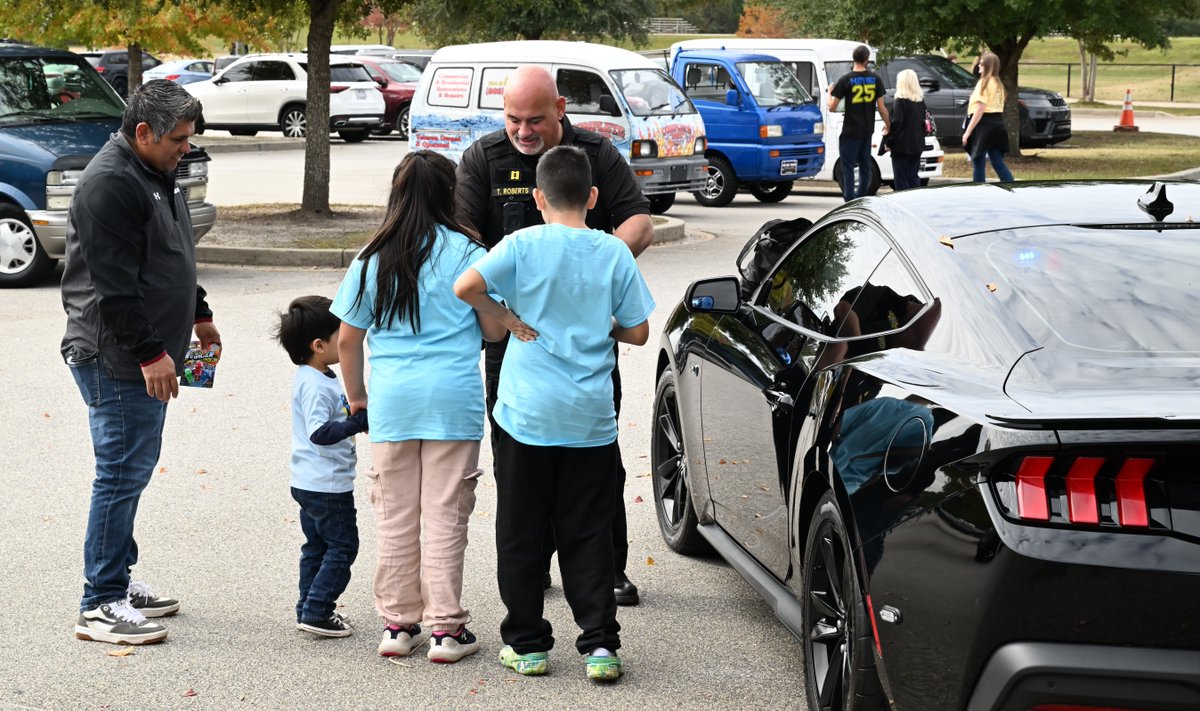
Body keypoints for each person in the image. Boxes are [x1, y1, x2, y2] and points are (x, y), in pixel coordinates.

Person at [454, 65, 653, 607]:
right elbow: (463, 238)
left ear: (561, 108)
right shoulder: (483, 158)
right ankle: (533, 568)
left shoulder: (596, 153)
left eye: (535, 119)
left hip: (586, 342)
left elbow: (639, 221)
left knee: (597, 460)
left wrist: (590, 267)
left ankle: (607, 569)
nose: (523, 131)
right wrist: (500, 308)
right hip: (514, 342)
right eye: (514, 119)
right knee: (519, 461)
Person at [333, 151, 508, 663]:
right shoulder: (470, 253)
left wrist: (357, 398)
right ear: (449, 194)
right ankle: (446, 632)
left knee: (395, 514)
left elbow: (348, 339)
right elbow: (494, 329)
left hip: (392, 402)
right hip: (452, 399)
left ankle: (397, 624)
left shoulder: (371, 256)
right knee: (446, 515)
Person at [61, 79, 218, 645]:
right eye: (178, 140)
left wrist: (198, 312)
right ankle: (99, 602)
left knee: (132, 469)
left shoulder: (157, 170)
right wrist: (152, 353)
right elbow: (114, 289)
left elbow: (173, 249)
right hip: (116, 355)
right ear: (143, 132)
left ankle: (118, 580)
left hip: (149, 350)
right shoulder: (109, 185)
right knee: (121, 473)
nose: (186, 149)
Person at [275, 295, 368, 638]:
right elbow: (319, 433)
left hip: (309, 480)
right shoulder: (315, 385)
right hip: (327, 484)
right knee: (343, 547)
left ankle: (307, 606)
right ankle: (318, 610)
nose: (346, 339)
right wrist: (357, 423)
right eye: (340, 335)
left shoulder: (317, 374)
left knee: (316, 547)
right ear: (318, 345)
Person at [828, 44, 890, 201]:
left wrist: (830, 93)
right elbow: (882, 108)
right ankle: (861, 197)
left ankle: (849, 199)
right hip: (867, 130)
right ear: (867, 59)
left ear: (853, 59)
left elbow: (832, 107)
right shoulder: (875, 79)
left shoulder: (845, 80)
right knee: (865, 166)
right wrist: (888, 125)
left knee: (847, 167)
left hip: (850, 130)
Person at [962, 52, 1015, 183]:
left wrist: (967, 132)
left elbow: (980, 109)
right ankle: (1012, 187)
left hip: (983, 125)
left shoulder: (983, 83)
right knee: (997, 162)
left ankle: (979, 193)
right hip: (997, 124)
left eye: (981, 63)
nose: (978, 65)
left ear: (987, 65)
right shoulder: (999, 84)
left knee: (978, 163)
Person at [884, 69, 928, 191]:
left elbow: (897, 123)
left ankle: (903, 203)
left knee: (901, 178)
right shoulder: (920, 101)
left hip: (901, 146)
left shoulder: (900, 101)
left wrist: (889, 142)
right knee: (913, 176)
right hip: (917, 144)